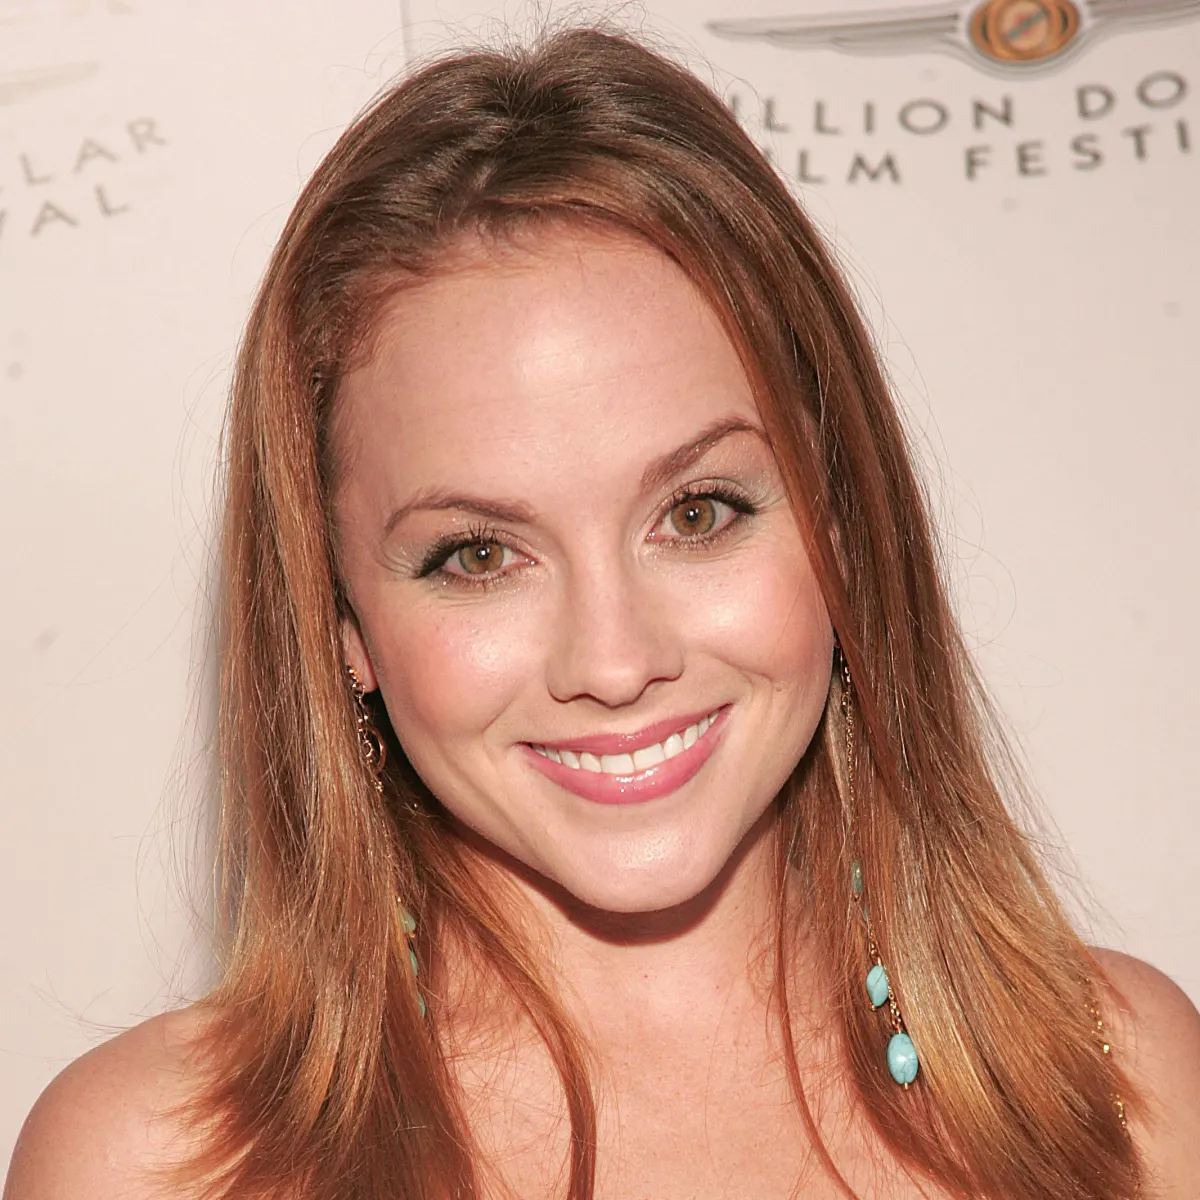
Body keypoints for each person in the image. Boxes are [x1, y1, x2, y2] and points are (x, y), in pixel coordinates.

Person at [6, 25, 1200, 1200]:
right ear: (341, 627)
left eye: (697, 513)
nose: (616, 661)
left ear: (843, 525)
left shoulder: (1123, 1088)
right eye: (480, 555)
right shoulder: (150, 1168)